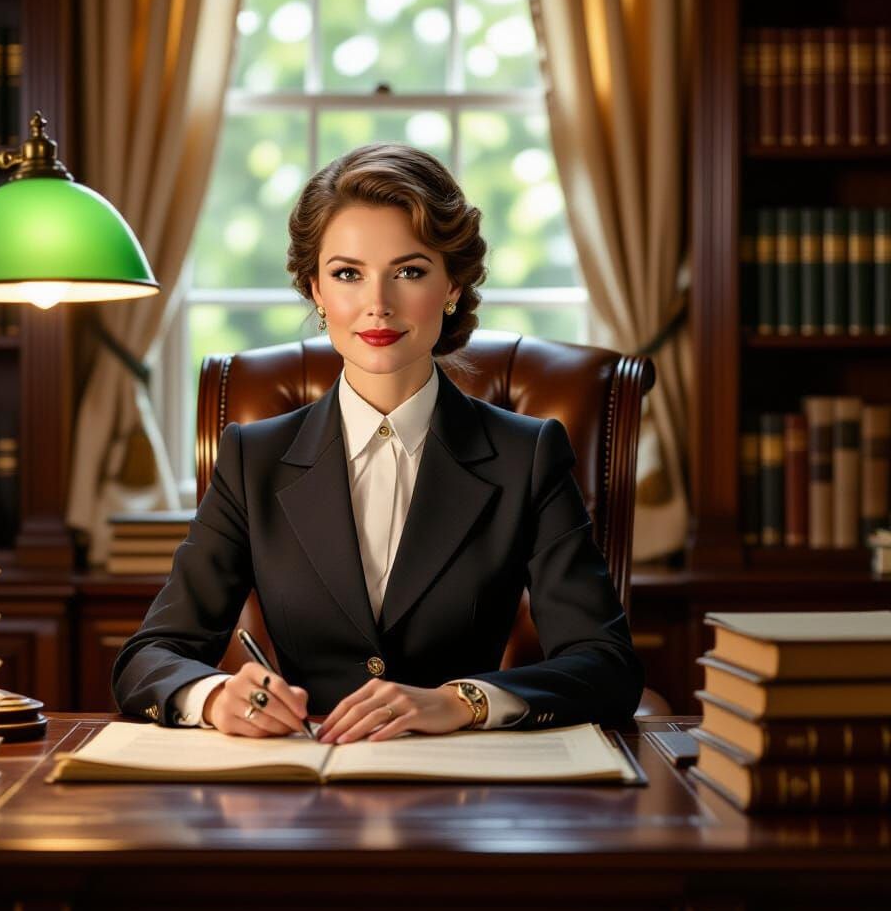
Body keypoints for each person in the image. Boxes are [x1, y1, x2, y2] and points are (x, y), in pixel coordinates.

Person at [112, 142, 644, 744]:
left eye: (410, 271)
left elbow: (607, 666)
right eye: (347, 274)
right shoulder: (251, 459)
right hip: (299, 792)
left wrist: (464, 701)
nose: (378, 305)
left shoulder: (529, 456)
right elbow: (149, 656)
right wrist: (211, 696)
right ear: (316, 290)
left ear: (453, 285)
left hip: (466, 793)